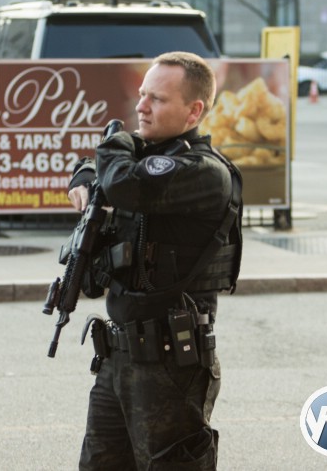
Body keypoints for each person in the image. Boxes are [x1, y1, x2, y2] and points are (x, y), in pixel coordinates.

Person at [66, 51, 243, 470]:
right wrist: (85, 174)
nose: (141, 106)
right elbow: (110, 172)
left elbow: (125, 184)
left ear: (193, 110)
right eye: (143, 94)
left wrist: (112, 141)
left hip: (170, 364)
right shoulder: (149, 157)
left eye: (157, 99)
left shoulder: (202, 171)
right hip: (118, 356)